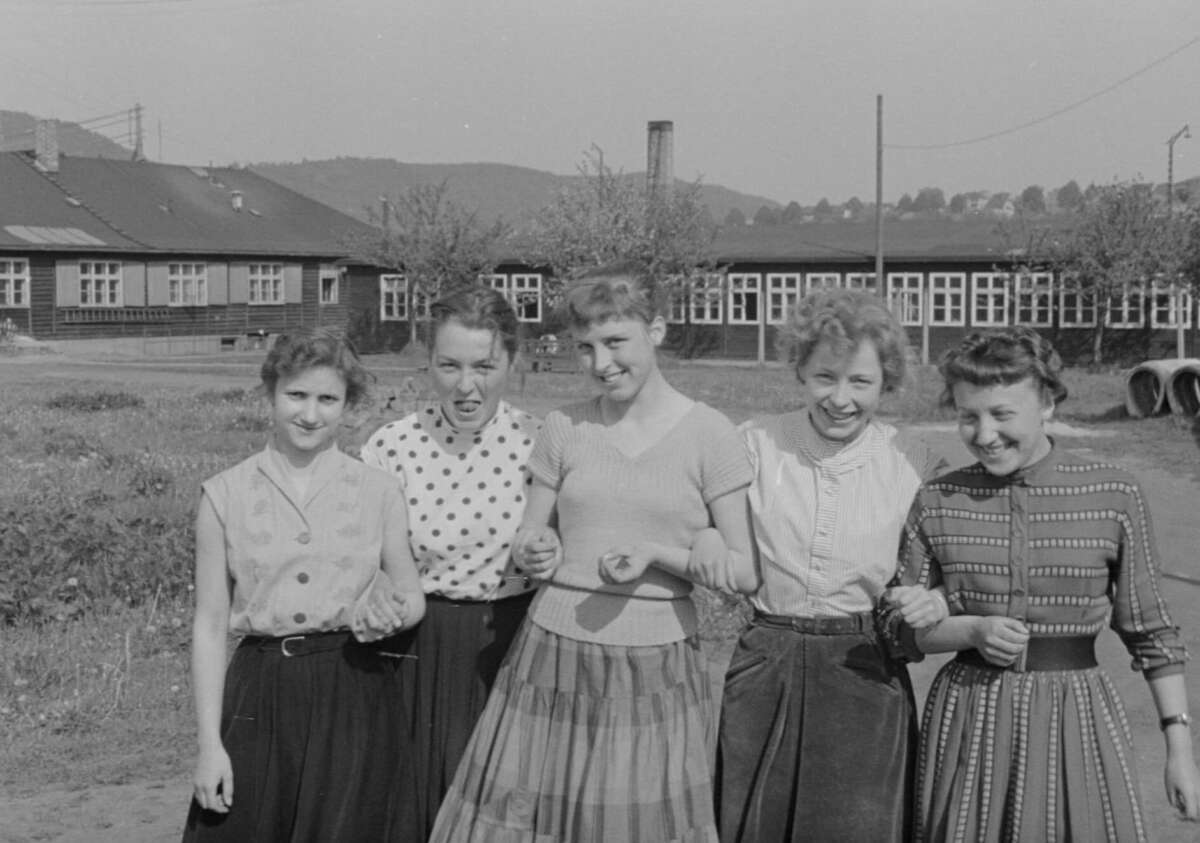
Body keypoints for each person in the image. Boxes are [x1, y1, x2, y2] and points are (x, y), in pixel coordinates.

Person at [429, 262, 754, 843]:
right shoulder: (564, 427)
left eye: (615, 342)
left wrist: (659, 553)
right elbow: (532, 537)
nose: (601, 364)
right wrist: (537, 547)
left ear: (655, 330)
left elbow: (742, 572)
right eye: (585, 347)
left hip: (656, 662)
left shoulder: (711, 434)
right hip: (553, 655)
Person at [880, 326, 1200, 842]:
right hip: (969, 720)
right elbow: (898, 631)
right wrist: (968, 630)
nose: (984, 434)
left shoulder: (1113, 494)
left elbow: (1152, 633)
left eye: (1002, 414)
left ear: (1047, 402)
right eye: (968, 416)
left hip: (1076, 719)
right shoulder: (938, 499)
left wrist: (1180, 752)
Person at [713, 288, 948, 842]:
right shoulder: (754, 444)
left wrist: (934, 597)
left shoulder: (913, 463)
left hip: (863, 670)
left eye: (860, 382)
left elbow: (948, 570)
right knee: (753, 822)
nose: (840, 398)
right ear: (800, 370)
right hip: (765, 662)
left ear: (886, 383)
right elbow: (697, 520)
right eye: (825, 377)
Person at [182, 328, 425, 842]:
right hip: (263, 693)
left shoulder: (378, 489)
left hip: (354, 688)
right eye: (296, 395)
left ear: (348, 405)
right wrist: (209, 745)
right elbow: (208, 625)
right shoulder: (223, 494)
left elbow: (411, 597)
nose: (310, 415)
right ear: (270, 393)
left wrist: (390, 615)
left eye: (327, 399)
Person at [360, 285, 547, 838]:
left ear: (512, 361)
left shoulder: (540, 443)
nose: (467, 386)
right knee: (413, 800)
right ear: (429, 364)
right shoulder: (390, 446)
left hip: (510, 643)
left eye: (485, 366)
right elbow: (360, 556)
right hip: (414, 644)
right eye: (450, 365)